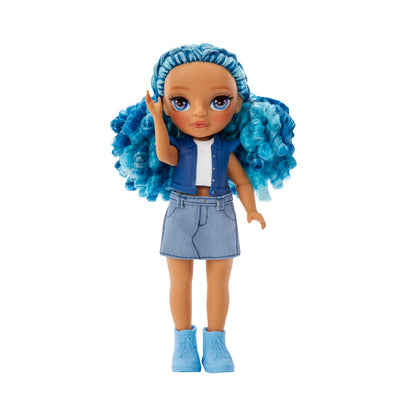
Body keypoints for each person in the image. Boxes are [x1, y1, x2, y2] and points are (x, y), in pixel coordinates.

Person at [111, 44, 296, 372]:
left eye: (218, 101)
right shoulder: (179, 145)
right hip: (181, 209)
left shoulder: (226, 148)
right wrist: (157, 119)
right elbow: (165, 155)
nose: (199, 113)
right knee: (179, 280)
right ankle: (183, 344)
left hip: (220, 210)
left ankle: (216, 344)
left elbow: (242, 182)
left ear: (236, 103)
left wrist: (251, 209)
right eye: (181, 102)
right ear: (167, 105)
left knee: (219, 281)